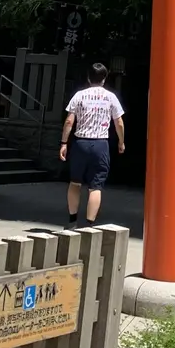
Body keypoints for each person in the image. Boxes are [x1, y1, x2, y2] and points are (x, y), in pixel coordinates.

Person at [60, 61, 125, 225]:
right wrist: (121, 142)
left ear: (89, 78)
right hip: (100, 144)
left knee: (75, 183)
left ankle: (72, 222)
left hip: (80, 143)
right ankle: (89, 225)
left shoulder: (79, 95)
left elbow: (69, 121)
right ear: (104, 78)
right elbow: (119, 123)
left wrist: (64, 143)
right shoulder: (111, 97)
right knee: (96, 186)